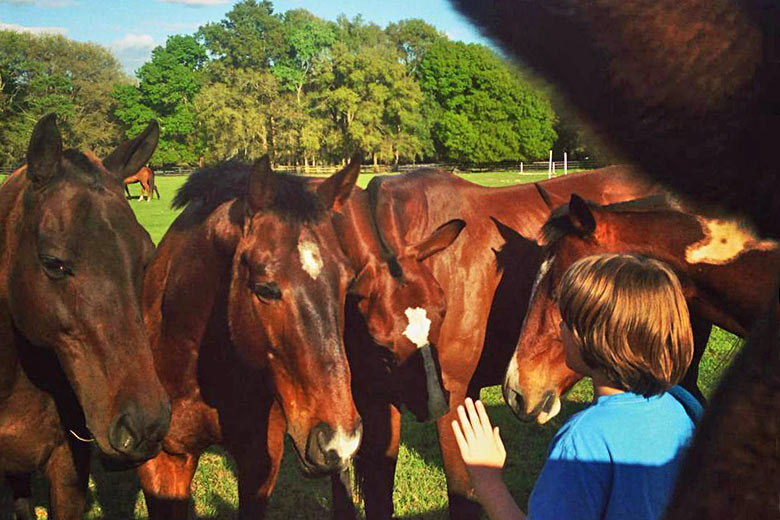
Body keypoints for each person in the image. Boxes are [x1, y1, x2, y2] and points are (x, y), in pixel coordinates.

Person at [452, 253, 703, 520]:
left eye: (569, 321)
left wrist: (488, 481)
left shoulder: (584, 440)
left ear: (593, 340)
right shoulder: (683, 407)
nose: (560, 327)